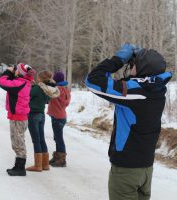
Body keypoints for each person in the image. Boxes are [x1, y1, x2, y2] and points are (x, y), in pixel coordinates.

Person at [85, 44, 172, 200]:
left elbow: (93, 80)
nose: (130, 67)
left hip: (126, 171)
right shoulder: (157, 89)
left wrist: (118, 60)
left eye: (133, 65)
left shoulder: (135, 92)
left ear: (142, 68)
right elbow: (136, 83)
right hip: (146, 169)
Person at [0, 63, 35, 176]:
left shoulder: (20, 83)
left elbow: (2, 82)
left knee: (18, 142)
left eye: (17, 70)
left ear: (20, 72)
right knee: (18, 141)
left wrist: (8, 72)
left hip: (18, 118)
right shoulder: (24, 82)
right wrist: (14, 73)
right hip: (20, 117)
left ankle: (20, 168)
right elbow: (12, 82)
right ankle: (18, 166)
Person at [26, 70, 60, 172]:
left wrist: (31, 86)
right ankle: (45, 164)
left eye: (38, 77)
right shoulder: (48, 89)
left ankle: (38, 166)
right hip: (41, 115)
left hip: (33, 115)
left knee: (36, 140)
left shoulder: (37, 88)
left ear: (40, 78)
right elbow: (46, 101)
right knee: (41, 139)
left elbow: (27, 94)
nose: (37, 78)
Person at [43, 71, 71, 167]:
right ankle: (57, 157)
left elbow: (48, 92)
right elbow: (65, 103)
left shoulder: (57, 89)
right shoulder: (65, 89)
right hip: (61, 116)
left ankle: (62, 160)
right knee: (57, 137)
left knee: (59, 138)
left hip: (57, 117)